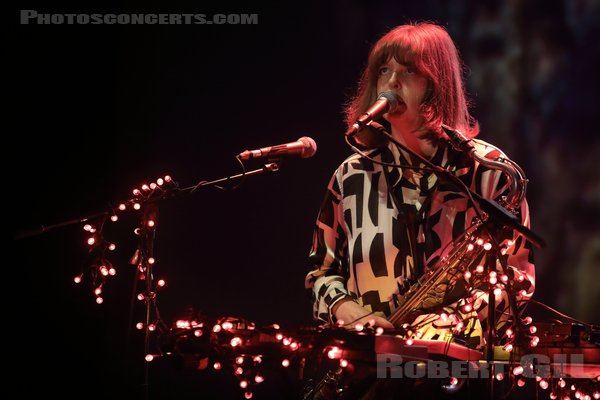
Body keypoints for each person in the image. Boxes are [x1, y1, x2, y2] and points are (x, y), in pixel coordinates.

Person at [304, 22, 535, 349]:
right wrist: (346, 310)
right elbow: (321, 273)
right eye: (384, 71)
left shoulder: (490, 172)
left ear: (438, 85)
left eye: (409, 71)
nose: (392, 82)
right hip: (366, 368)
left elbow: (516, 280)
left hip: (458, 373)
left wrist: (450, 321)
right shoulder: (350, 176)